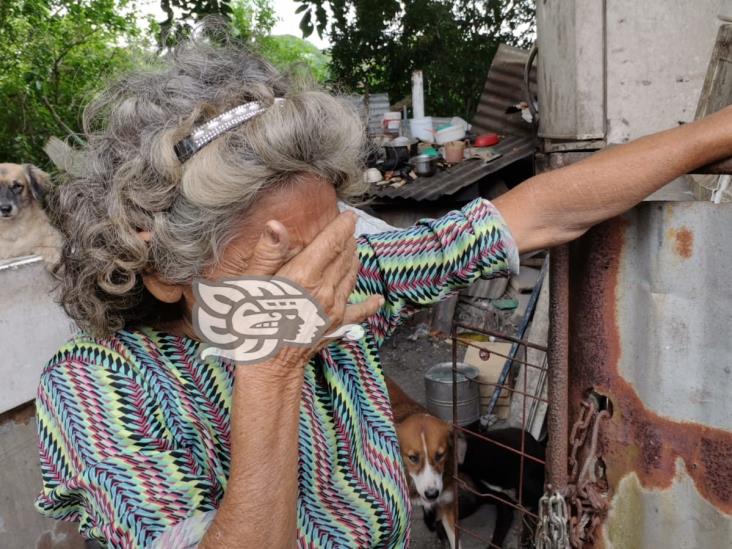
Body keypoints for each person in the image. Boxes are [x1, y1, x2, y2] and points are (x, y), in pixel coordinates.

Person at [35, 40, 732, 549]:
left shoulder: (346, 279)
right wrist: (273, 370)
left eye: (330, 237)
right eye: (283, 254)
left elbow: (537, 213)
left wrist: (715, 133)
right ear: (163, 269)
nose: (326, 274)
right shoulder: (100, 386)